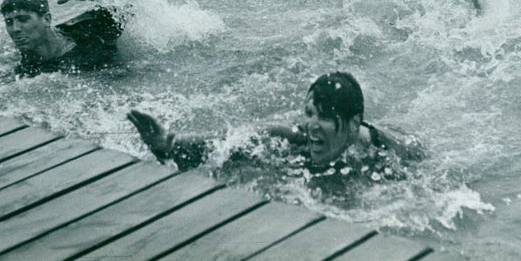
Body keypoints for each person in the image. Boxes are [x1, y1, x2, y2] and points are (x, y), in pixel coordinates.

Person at [128, 71, 425, 173]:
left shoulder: (389, 152)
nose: (312, 126)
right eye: (310, 114)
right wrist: (168, 143)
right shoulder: (295, 138)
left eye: (324, 117)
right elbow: (232, 142)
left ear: (352, 124)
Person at [0, 0, 123, 77]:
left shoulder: (89, 27)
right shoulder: (26, 69)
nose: (15, 29)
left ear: (47, 19)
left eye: (23, 19)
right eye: (9, 22)